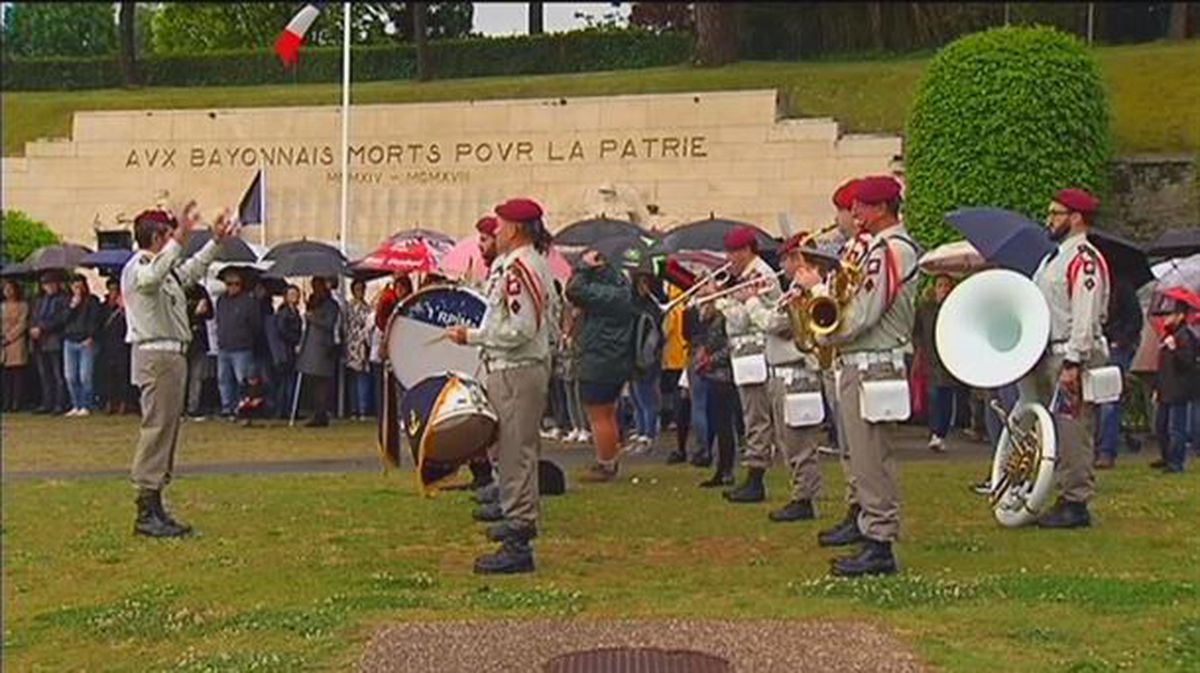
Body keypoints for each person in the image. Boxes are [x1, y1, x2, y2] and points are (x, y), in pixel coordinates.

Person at [793, 175, 920, 576]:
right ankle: (871, 530)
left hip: (872, 362)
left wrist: (819, 302)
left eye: (861, 207)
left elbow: (864, 312)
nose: (855, 215)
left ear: (880, 209)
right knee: (863, 455)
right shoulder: (880, 249)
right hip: (861, 362)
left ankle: (880, 540)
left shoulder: (890, 251)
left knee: (871, 457)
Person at [446, 197, 555, 574]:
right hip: (514, 367)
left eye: (501, 224)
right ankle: (515, 521)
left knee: (514, 453)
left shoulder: (520, 268)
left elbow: (520, 327)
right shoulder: (521, 265)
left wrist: (476, 337)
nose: (497, 230)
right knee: (513, 449)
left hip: (516, 367)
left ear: (514, 229)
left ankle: (519, 539)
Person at [122, 203, 236, 538]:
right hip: (156, 355)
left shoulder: (163, 267)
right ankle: (146, 506)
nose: (174, 239)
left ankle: (156, 501)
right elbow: (151, 279)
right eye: (168, 234)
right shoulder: (139, 266)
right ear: (157, 237)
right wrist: (179, 241)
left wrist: (214, 241)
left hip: (172, 355)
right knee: (156, 428)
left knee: (167, 429)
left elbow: (187, 272)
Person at [1019, 187, 1111, 528]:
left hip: (1070, 354)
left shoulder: (1083, 259)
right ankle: (1062, 492)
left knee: (1073, 429)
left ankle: (1076, 500)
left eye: (1056, 213)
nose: (1049, 220)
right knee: (1057, 429)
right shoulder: (1054, 258)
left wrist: (1074, 361)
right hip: (1051, 351)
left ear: (1075, 217)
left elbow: (1084, 315)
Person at [713, 225, 784, 503]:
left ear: (746, 250)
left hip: (756, 353)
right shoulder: (746, 275)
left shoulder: (759, 275)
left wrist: (720, 300)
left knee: (756, 416)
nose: (729, 257)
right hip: (746, 355)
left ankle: (756, 478)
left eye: (733, 252)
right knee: (750, 414)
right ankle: (754, 474)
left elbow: (743, 319)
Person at [758, 233, 826, 522]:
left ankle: (805, 497)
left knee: (799, 440)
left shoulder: (806, 292)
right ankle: (799, 493)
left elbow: (775, 324)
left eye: (787, 258)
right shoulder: (793, 289)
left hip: (797, 372)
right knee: (788, 440)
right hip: (782, 371)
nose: (783, 264)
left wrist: (753, 302)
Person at [566, 246, 635, 483]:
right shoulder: (623, 289)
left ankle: (606, 464)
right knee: (608, 413)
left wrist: (583, 267)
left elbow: (573, 289)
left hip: (600, 357)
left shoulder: (607, 292)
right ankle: (609, 458)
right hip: (615, 358)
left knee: (599, 414)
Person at [686, 290, 738, 487]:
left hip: (723, 375)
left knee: (724, 424)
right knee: (716, 421)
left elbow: (728, 346)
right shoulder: (708, 318)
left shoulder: (723, 317)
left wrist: (711, 360)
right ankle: (719, 465)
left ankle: (726, 469)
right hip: (712, 375)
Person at [1094, 275, 1144, 469]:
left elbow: (1134, 320)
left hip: (1116, 345)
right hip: (1103, 343)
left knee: (1108, 400)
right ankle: (1102, 448)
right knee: (1104, 401)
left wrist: (1120, 340)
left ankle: (1105, 450)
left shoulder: (1121, 287)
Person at [913, 274, 962, 452]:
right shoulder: (926, 309)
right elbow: (917, 330)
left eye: (947, 286)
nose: (944, 289)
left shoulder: (955, 309)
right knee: (934, 395)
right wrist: (919, 349)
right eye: (940, 285)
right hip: (931, 358)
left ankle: (942, 431)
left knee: (946, 396)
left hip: (949, 358)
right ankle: (935, 432)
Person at [1152, 298, 1197, 473]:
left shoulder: (1185, 336)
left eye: (1169, 314)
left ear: (1180, 316)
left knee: (1176, 427)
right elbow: (1161, 364)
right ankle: (1166, 457)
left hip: (1179, 388)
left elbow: (1188, 362)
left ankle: (1176, 462)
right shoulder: (1168, 335)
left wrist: (1174, 350)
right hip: (1166, 387)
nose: (1166, 319)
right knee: (1161, 426)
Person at [214, 269, 263, 418]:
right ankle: (226, 407)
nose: (232, 287)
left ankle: (241, 407)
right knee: (223, 379)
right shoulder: (221, 300)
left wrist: (248, 339)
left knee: (242, 380)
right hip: (224, 346)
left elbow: (256, 325)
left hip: (242, 347)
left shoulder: (249, 301)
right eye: (229, 284)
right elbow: (218, 320)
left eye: (236, 284)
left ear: (241, 284)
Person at [627, 270, 665, 454]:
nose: (643, 287)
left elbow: (659, 334)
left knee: (647, 397)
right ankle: (640, 430)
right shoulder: (632, 305)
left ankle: (649, 434)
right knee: (636, 397)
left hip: (648, 357)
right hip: (633, 356)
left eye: (646, 283)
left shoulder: (653, 307)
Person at [296, 277, 340, 427]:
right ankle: (316, 412)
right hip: (310, 346)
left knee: (321, 383)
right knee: (312, 382)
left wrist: (313, 318)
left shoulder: (331, 305)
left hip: (322, 347)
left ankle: (321, 414)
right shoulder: (313, 301)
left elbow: (329, 323)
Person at [62, 274, 102, 416]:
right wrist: (73, 306)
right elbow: (62, 320)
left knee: (85, 375)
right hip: (70, 340)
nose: (77, 289)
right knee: (70, 376)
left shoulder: (92, 301)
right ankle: (75, 404)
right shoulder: (67, 301)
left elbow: (96, 319)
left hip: (86, 341)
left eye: (79, 286)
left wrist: (91, 336)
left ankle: (86, 404)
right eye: (74, 286)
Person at [30, 270, 69, 414]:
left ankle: (60, 403)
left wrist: (43, 328)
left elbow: (61, 318)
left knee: (57, 373)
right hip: (40, 341)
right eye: (46, 284)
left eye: (51, 284)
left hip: (54, 340)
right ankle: (47, 402)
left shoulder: (63, 299)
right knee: (44, 374)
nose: (49, 287)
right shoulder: (40, 300)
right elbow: (34, 316)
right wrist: (33, 328)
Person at [98, 278, 136, 414]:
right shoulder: (103, 307)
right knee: (109, 375)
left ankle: (124, 402)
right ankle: (110, 401)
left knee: (122, 375)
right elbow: (99, 324)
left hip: (122, 344)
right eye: (111, 289)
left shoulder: (126, 308)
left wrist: (123, 310)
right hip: (108, 344)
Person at [269, 285, 303, 420]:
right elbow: (282, 330)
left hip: (289, 351)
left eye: (296, 294)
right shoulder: (284, 313)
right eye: (291, 294)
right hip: (285, 351)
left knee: (289, 382)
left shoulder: (294, 312)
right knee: (285, 382)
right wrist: (295, 340)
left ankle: (289, 409)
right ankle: (283, 410)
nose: (294, 296)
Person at [344, 278, 374, 420]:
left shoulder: (366, 308)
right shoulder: (351, 308)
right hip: (354, 345)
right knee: (356, 378)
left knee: (360, 378)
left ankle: (360, 409)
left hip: (360, 345)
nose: (360, 292)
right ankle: (356, 409)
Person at [184, 284, 214, 419]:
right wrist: (193, 308)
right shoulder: (177, 288)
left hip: (199, 341)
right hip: (183, 339)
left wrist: (205, 308)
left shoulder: (201, 290)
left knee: (196, 377)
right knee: (180, 377)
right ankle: (179, 407)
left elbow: (210, 314)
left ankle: (193, 407)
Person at [2, 279, 30, 412]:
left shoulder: (23, 305)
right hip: (3, 344)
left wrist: (9, 337)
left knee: (17, 374)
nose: (7, 292)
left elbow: (22, 323)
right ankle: (6, 402)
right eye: (5, 289)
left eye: (10, 289)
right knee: (6, 375)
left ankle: (16, 403)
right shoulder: (2, 306)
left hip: (16, 342)